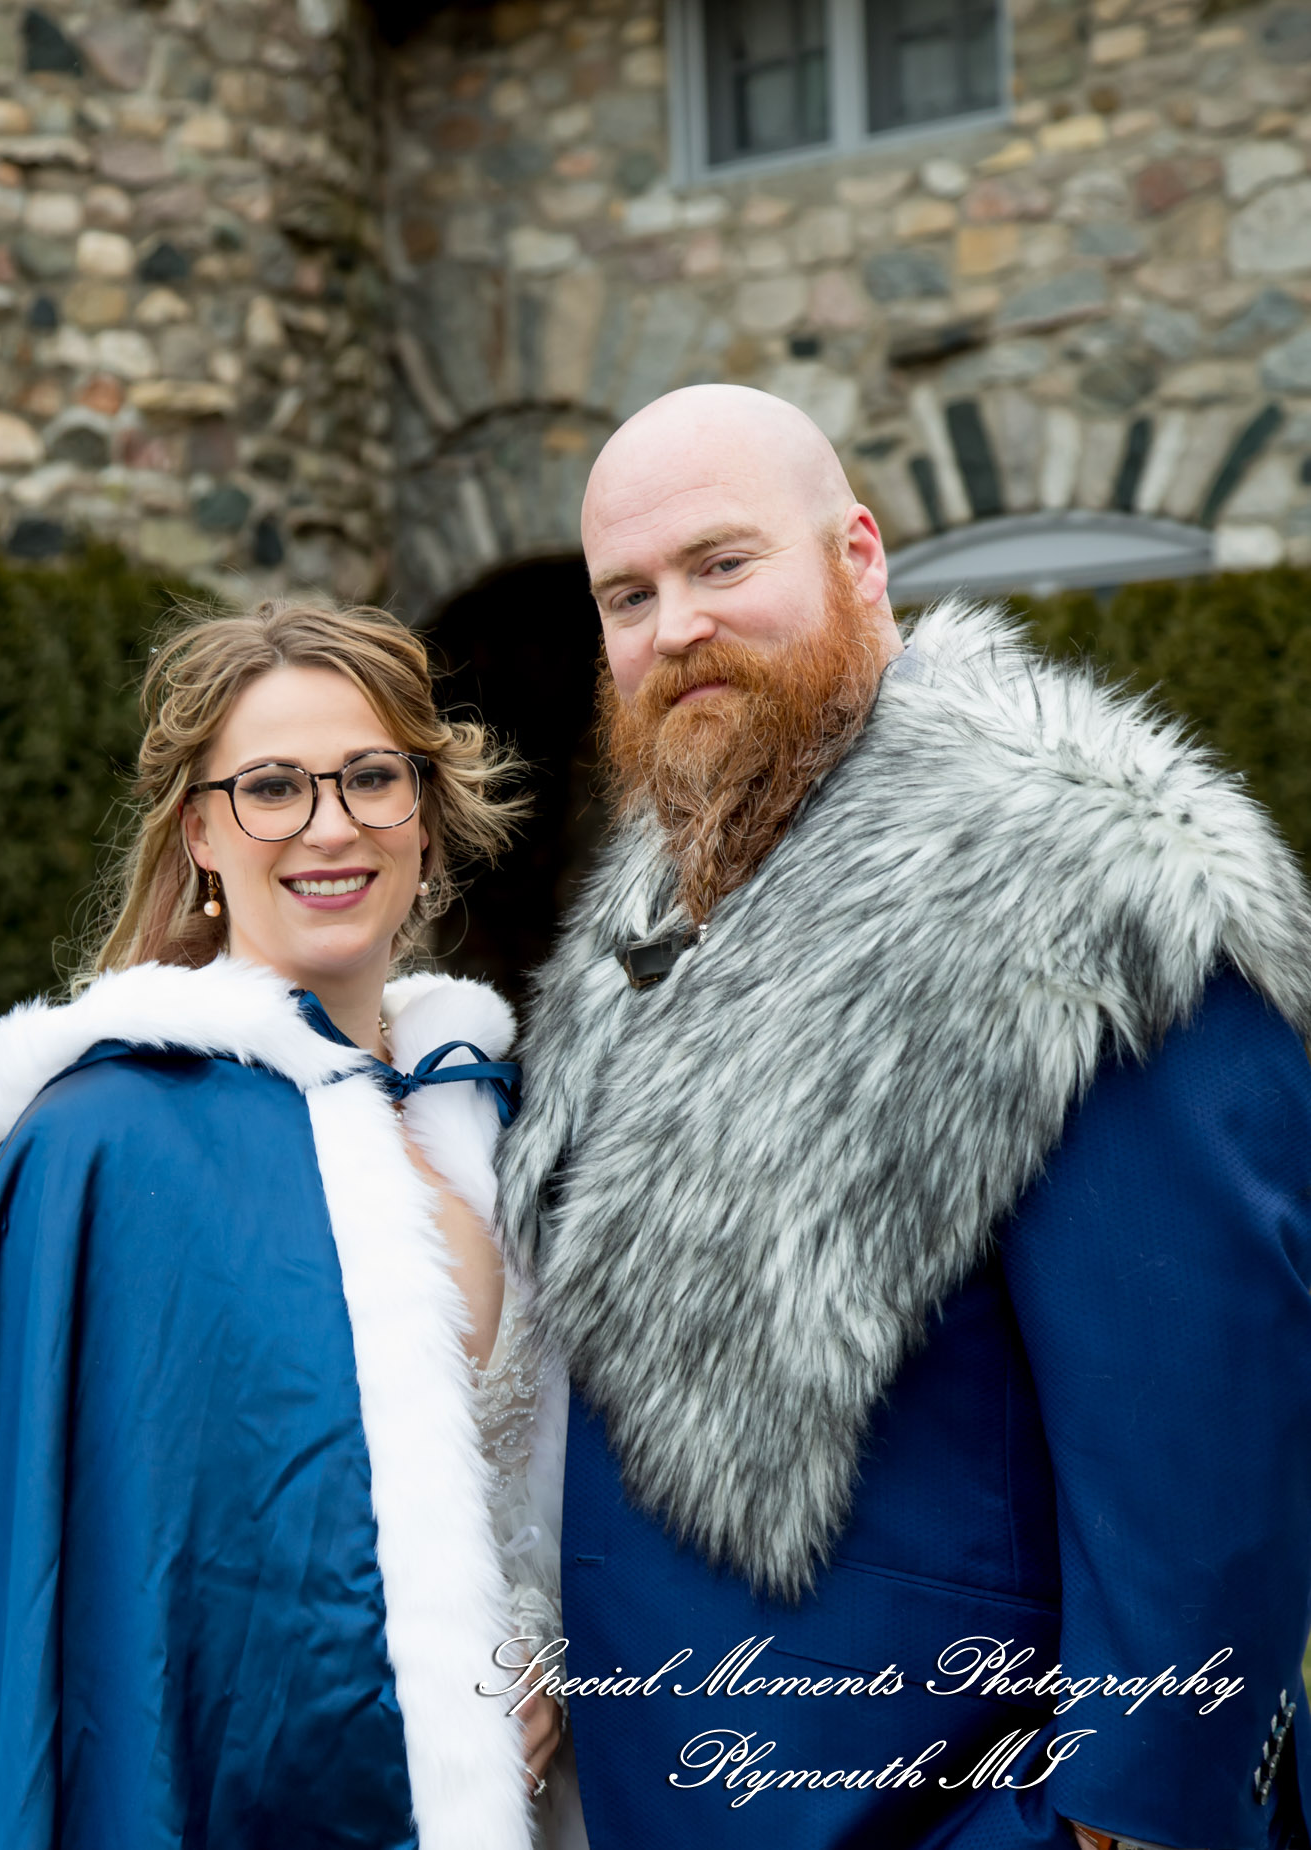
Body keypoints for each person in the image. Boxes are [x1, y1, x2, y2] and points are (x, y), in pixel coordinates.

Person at [497, 384, 1311, 1850]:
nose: (676, 624)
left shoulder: (1080, 886)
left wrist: (1116, 1823)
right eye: (629, 594)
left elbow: (1208, 1429)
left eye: (721, 562)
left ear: (858, 558)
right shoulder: (656, 910)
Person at [0, 600, 568, 1850]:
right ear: (201, 832)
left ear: (427, 815)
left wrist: (556, 1666)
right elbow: (103, 1597)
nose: (330, 824)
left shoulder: (504, 1124)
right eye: (271, 787)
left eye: (371, 776)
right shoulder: (105, 1147)